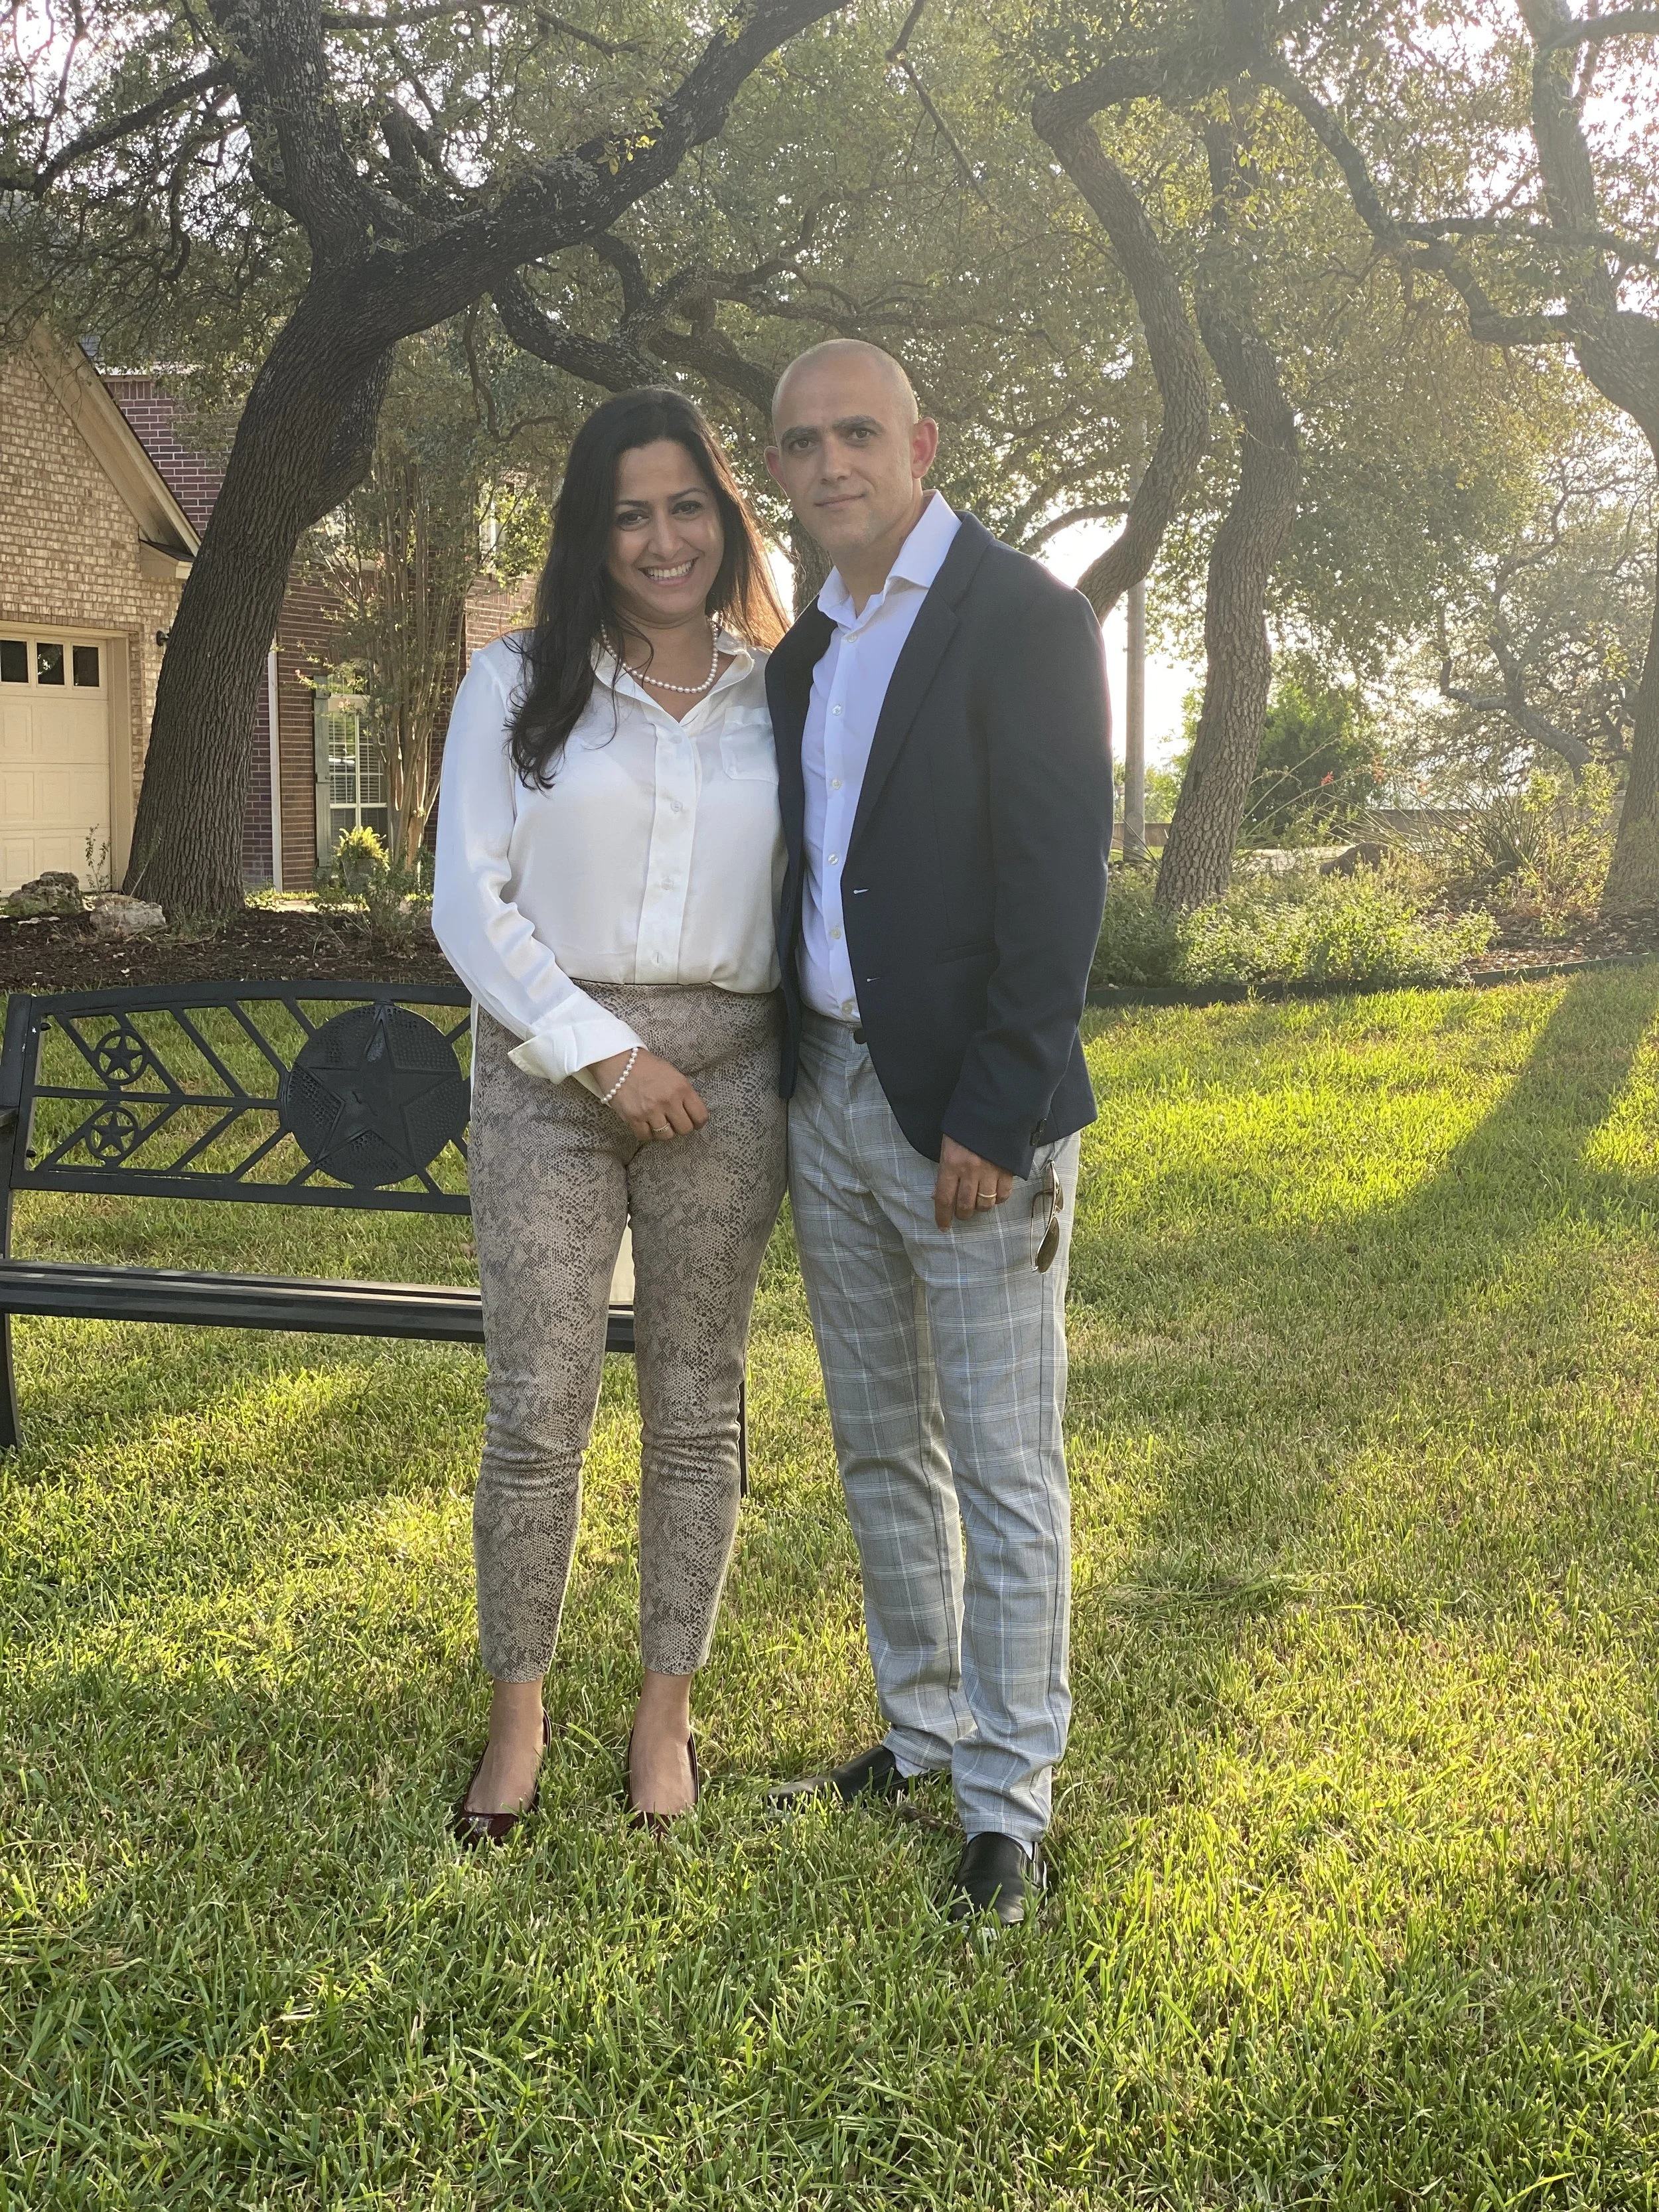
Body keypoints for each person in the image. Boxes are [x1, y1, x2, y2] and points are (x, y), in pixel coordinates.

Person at [762, 340, 1112, 1924]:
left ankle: (1006, 1800)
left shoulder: (1024, 619)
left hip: (968, 1116)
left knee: (1002, 1462)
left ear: (921, 442)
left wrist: (997, 1110)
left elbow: (1057, 894)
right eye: (798, 442)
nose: (828, 461)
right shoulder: (802, 650)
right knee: (877, 1441)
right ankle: (915, 1734)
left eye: (856, 433)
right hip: (825, 1097)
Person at [432, 387, 789, 1843]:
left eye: (686, 506)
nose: (660, 539)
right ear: (592, 528)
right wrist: (599, 1054)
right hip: (547, 1071)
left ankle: (664, 1718)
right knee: (537, 1413)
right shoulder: (513, 681)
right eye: (629, 511)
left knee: (695, 1409)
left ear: (724, 517)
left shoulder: (787, 691)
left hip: (733, 1077)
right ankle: (516, 1720)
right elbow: (469, 898)